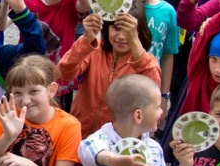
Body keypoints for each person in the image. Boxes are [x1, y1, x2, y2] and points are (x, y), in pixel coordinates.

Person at [59, 10, 161, 139]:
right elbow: (64, 73)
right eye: (116, 28)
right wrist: (87, 40)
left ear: (139, 33)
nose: (121, 37)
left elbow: (152, 90)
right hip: (79, 131)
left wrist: (134, 41)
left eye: (128, 31)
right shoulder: (95, 49)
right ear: (107, 27)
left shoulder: (146, 62)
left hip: (117, 140)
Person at [123, 0, 182, 105]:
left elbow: (168, 56)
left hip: (150, 87)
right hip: (120, 84)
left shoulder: (168, 12)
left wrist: (164, 96)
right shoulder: (120, 5)